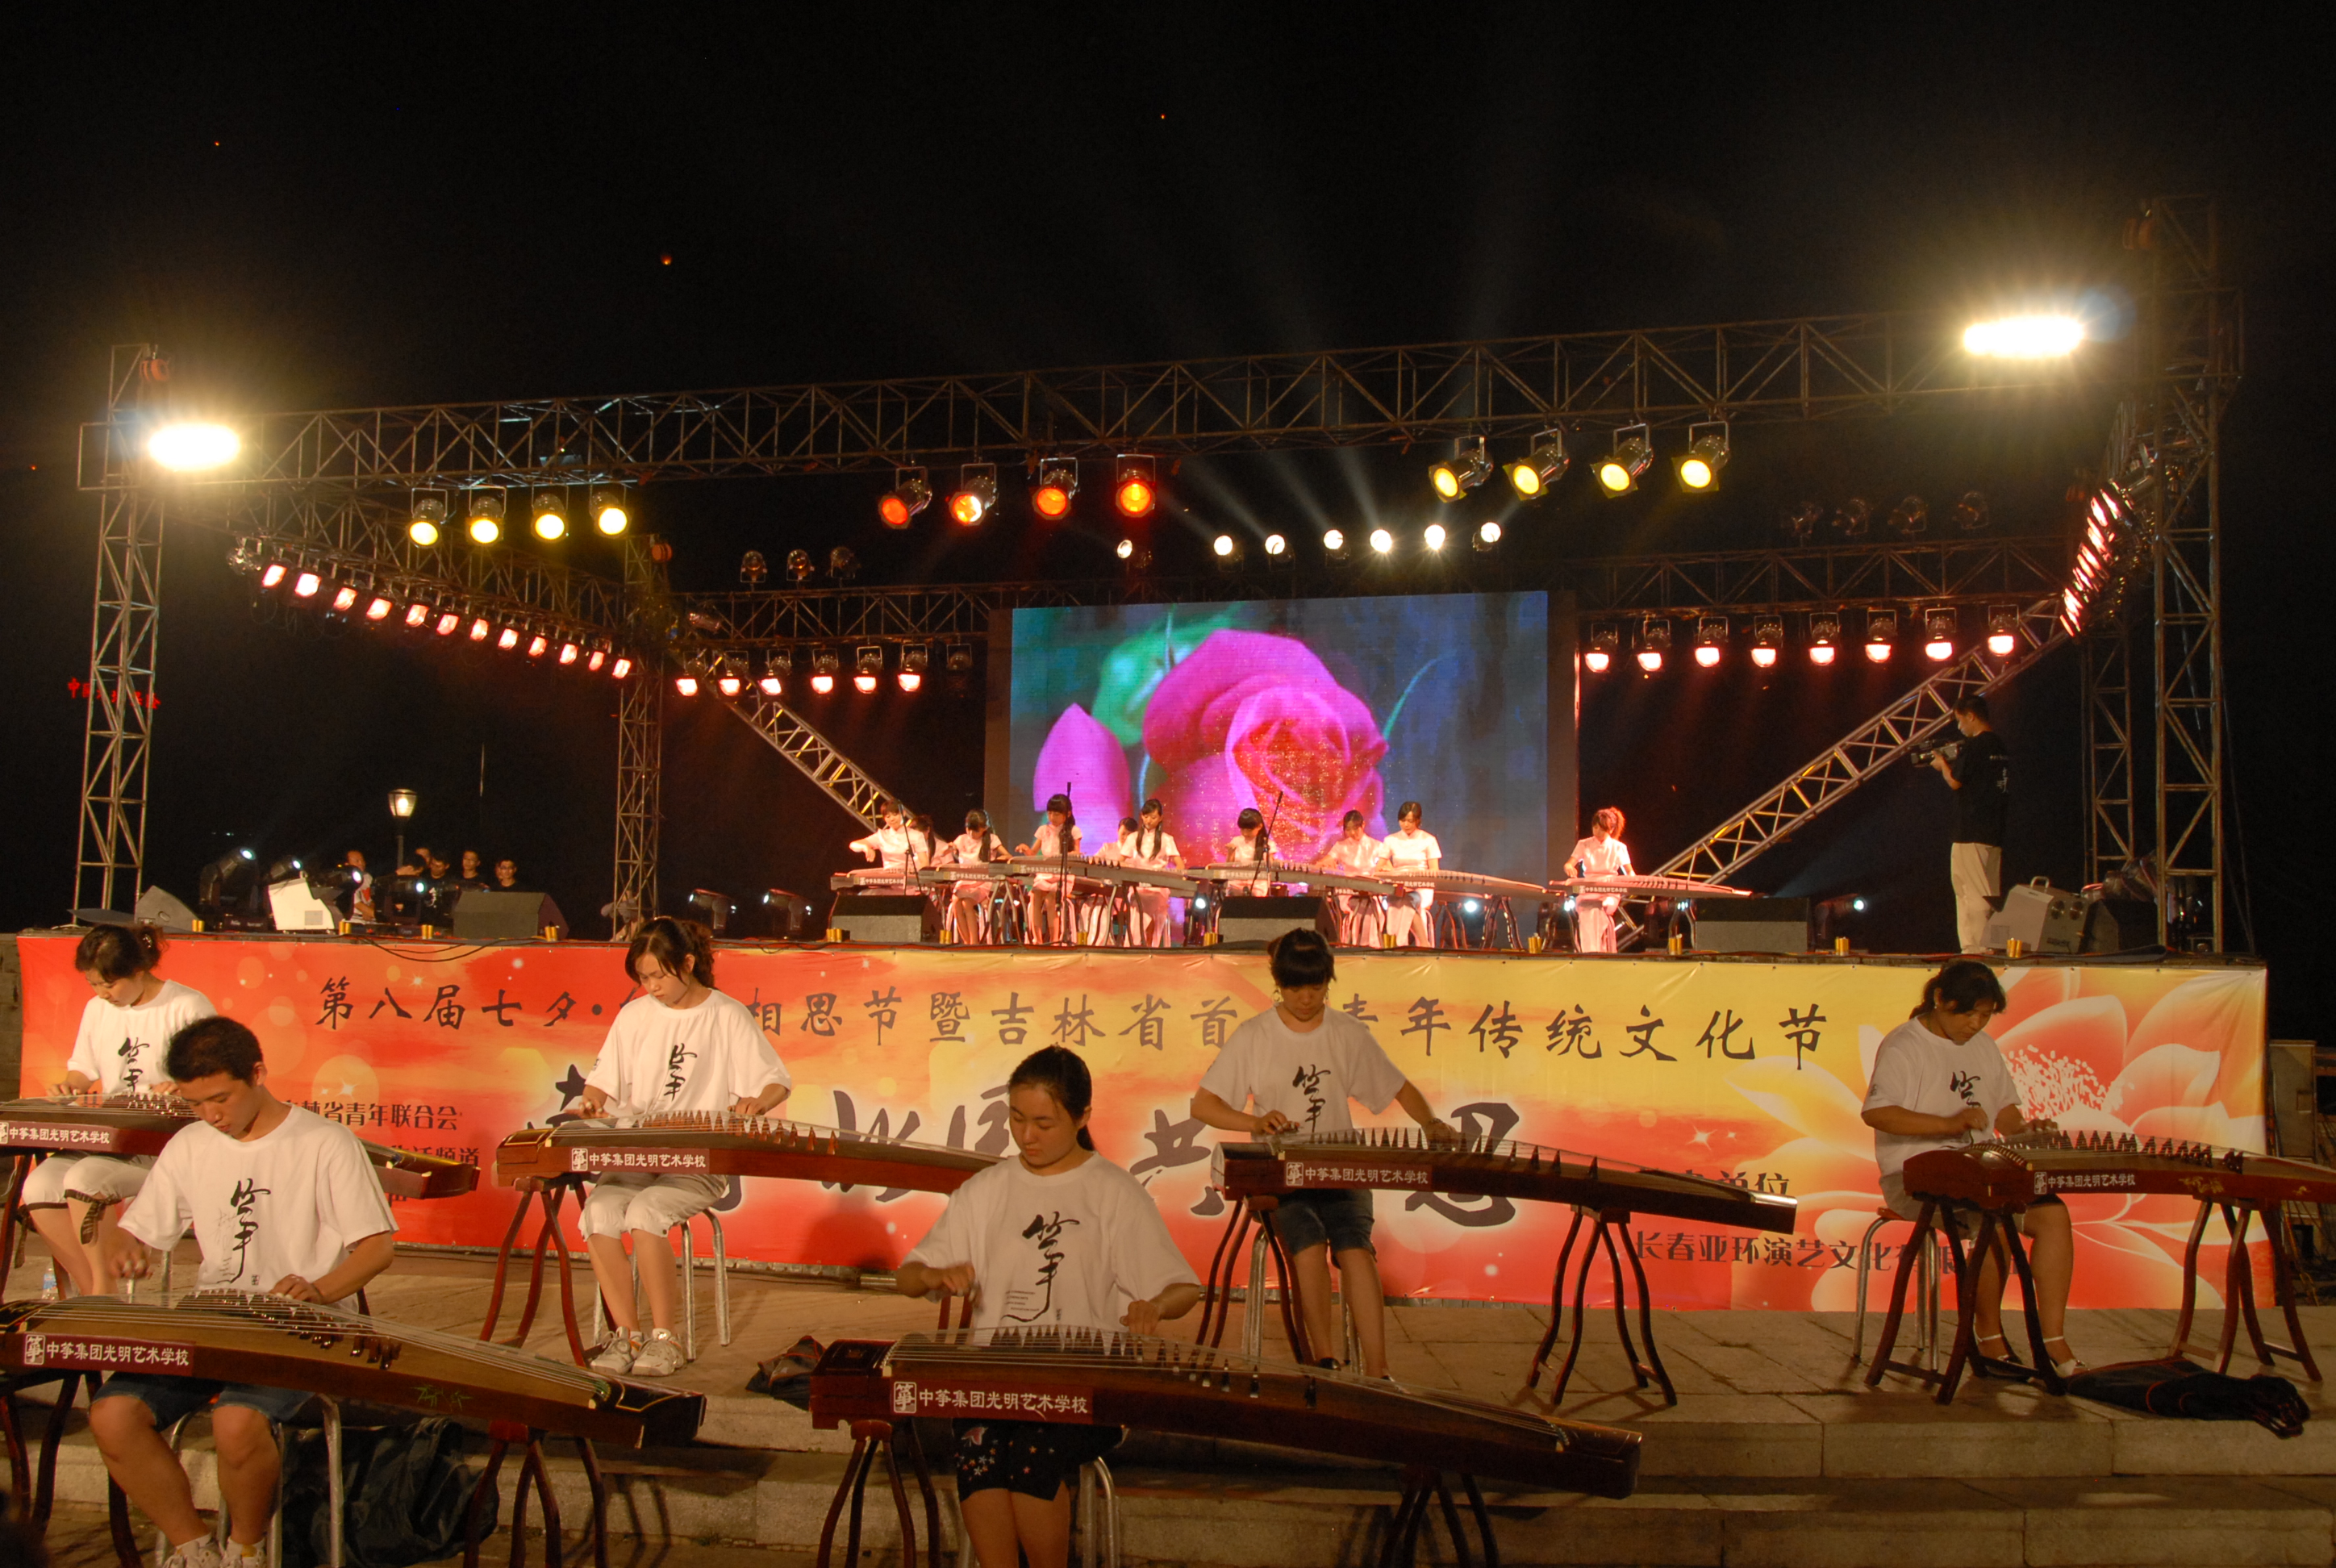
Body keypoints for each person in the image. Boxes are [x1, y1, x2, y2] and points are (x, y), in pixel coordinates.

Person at [90, 1016, 398, 1568]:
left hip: (302, 1326)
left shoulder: (324, 1142)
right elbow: (141, 1230)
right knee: (113, 1415)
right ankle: (194, 1549)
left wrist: (319, 1289)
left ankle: (246, 1550)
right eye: (195, 1104)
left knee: (236, 1421)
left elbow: (377, 1248)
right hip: (215, 1319)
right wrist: (124, 1244)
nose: (211, 1116)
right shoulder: (191, 1144)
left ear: (257, 1074)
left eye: (220, 1099)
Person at [894, 1048, 1199, 1568]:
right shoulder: (987, 1190)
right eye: (1016, 1119)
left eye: (1043, 1123)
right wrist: (930, 1277)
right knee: (978, 1445)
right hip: (998, 1377)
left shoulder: (1113, 1192)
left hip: (1084, 1383)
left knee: (1031, 1452)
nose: (1026, 1136)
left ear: (1082, 1118)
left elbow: (1182, 1287)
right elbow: (909, 1274)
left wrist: (1154, 1306)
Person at [1189, 930, 1454, 1377]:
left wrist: (1431, 1124)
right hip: (1281, 1176)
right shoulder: (1255, 1035)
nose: (1307, 999)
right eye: (1295, 989)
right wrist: (1255, 1122)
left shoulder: (1347, 1033)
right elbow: (1203, 1104)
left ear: (1329, 982)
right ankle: (1325, 1362)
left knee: (1356, 1249)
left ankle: (1379, 1372)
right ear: (1278, 984)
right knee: (1308, 1244)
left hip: (1341, 1167)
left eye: (1316, 987)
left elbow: (1398, 1086)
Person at [575, 918, 791, 1376]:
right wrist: (592, 1100)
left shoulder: (726, 1014)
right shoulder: (634, 1016)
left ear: (688, 963)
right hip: (638, 1153)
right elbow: (601, 1082)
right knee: (598, 1213)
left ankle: (665, 1339)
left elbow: (776, 1081)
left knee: (644, 1213)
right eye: (643, 978)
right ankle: (626, 1335)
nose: (651, 987)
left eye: (658, 975)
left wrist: (757, 1102)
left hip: (696, 1160)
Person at [1859, 958, 2079, 1377]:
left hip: (1979, 1171)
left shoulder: (1984, 1047)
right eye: (1968, 1014)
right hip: (1913, 1177)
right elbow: (1878, 1113)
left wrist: (2027, 1130)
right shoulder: (1905, 1044)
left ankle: (2054, 1340)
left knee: (2053, 1214)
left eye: (1985, 1015)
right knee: (1994, 1221)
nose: (1976, 1024)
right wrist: (1949, 1124)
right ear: (1940, 999)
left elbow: (2005, 1113)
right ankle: (1989, 1337)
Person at [23, 925, 216, 1295]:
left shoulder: (187, 1006)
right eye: (94, 984)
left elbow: (217, 1076)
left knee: (84, 1179)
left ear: (139, 970)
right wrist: (69, 1086)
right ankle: (95, 1292)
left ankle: (101, 1294)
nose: (102, 994)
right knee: (39, 1185)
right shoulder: (97, 1009)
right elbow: (83, 1069)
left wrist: (183, 1087)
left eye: (109, 984)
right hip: (110, 1137)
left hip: (162, 1145)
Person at [1933, 694, 2011, 953]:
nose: (1960, 727)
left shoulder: (1975, 745)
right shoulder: (1999, 745)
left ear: (1971, 716)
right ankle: (1989, 945)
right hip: (1993, 831)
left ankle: (1976, 949)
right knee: (1989, 893)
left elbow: (1956, 782)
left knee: (1969, 892)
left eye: (1960, 720)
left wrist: (1942, 765)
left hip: (1969, 832)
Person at [1015, 794, 1082, 945]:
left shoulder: (1073, 831)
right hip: (1044, 875)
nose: (1052, 817)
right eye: (1050, 813)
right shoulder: (1043, 830)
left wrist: (1070, 854)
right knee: (1035, 895)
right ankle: (1037, 939)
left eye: (1056, 814)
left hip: (1062, 876)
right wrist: (1025, 849)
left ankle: (1054, 940)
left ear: (1068, 814)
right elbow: (1033, 854)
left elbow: (1077, 853)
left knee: (1052, 899)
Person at [1566, 807, 1634, 953]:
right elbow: (1569, 864)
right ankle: (1591, 952)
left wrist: (1632, 880)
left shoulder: (1619, 847)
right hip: (1588, 889)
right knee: (1586, 910)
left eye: (1602, 830)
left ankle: (1596, 952)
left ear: (1611, 830)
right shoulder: (1584, 844)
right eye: (1595, 828)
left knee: (1599, 908)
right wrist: (1569, 867)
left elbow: (1629, 871)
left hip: (1610, 891)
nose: (1597, 832)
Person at [1120, 799, 1183, 949]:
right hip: (1137, 887)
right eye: (1146, 816)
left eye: (1153, 817)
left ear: (1160, 818)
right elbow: (1120, 861)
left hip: (1158, 888)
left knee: (1150, 902)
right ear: (1142, 816)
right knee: (1140, 901)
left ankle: (1142, 944)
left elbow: (1180, 864)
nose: (1149, 820)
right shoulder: (1133, 838)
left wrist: (1173, 873)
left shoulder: (1167, 839)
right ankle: (1140, 944)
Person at [1379, 802, 1441, 948]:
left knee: (1408, 900)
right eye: (1402, 820)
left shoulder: (1428, 840)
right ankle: (1420, 944)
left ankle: (1404, 943)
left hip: (1422, 887)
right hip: (1400, 887)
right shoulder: (1391, 840)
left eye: (1410, 821)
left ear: (1418, 821)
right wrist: (1387, 871)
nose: (1405, 824)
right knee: (1400, 900)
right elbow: (1380, 867)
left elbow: (1434, 870)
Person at [1319, 809, 1384, 946]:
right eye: (1348, 829)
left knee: (1370, 904)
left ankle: (1365, 945)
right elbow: (1322, 863)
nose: (1352, 833)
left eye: (1355, 828)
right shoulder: (1341, 846)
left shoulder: (1377, 846)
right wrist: (1327, 864)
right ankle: (1362, 946)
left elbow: (1388, 868)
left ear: (1363, 825)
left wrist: (1380, 871)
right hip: (1349, 892)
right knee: (1363, 905)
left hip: (1371, 892)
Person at [945, 809, 1012, 942]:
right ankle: (967, 941)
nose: (971, 834)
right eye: (968, 829)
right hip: (965, 881)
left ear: (985, 828)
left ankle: (974, 942)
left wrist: (995, 861)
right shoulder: (962, 839)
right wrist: (949, 848)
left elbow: (1008, 856)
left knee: (967, 903)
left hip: (983, 881)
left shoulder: (991, 839)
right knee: (956, 904)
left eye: (975, 831)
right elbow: (943, 852)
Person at [849, 798, 925, 894]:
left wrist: (914, 875)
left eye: (895, 815)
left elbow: (924, 862)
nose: (892, 819)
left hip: (909, 882)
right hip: (888, 881)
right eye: (888, 816)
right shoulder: (882, 835)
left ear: (903, 813)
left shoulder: (916, 835)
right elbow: (853, 845)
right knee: (865, 892)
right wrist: (865, 848)